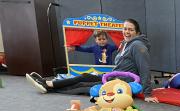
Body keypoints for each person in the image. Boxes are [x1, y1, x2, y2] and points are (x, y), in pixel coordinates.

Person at [26, 19, 159, 103]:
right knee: (84, 76)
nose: (127, 31)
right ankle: (47, 83)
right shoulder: (125, 43)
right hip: (113, 77)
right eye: (125, 28)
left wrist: (147, 93)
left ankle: (48, 87)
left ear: (137, 32)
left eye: (130, 29)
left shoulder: (138, 46)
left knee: (83, 86)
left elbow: (144, 68)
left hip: (123, 84)